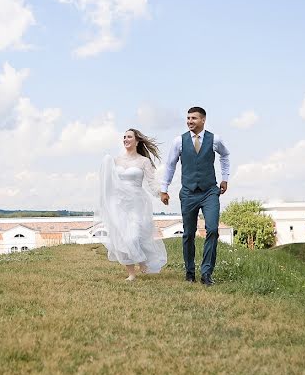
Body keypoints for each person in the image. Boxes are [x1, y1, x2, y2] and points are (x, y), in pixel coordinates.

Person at [160, 107, 230, 286]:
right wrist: (164, 188)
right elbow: (170, 165)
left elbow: (225, 156)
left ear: (203, 120)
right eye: (188, 118)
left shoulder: (215, 139)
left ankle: (206, 273)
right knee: (189, 234)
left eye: (194, 118)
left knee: (212, 229)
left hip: (209, 192)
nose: (190, 121)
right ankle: (189, 272)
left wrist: (225, 178)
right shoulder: (179, 141)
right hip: (188, 193)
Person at [97, 128, 168, 281]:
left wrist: (161, 193)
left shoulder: (144, 161)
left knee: (135, 235)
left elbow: (151, 183)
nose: (126, 139)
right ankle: (131, 273)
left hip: (137, 202)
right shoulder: (115, 160)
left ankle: (142, 259)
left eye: (129, 137)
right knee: (123, 237)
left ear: (137, 141)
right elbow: (108, 182)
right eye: (124, 137)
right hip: (119, 203)